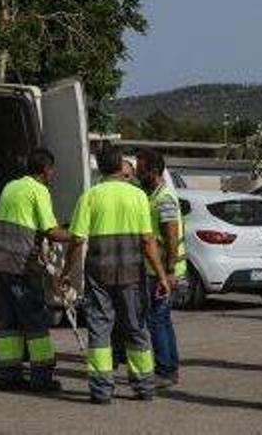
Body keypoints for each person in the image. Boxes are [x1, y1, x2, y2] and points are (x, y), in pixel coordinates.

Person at [66, 146, 171, 405]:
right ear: (120, 167)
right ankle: (144, 386)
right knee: (136, 328)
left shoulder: (90, 197)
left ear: (100, 168)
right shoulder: (137, 196)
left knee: (100, 329)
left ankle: (102, 390)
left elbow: (77, 240)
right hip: (131, 274)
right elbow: (148, 242)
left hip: (98, 274)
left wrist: (66, 272)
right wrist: (162, 275)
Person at [0, 148, 72, 392]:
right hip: (21, 266)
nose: (52, 174)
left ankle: (9, 376)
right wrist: (76, 236)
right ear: (45, 169)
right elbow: (51, 231)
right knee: (35, 322)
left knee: (8, 324)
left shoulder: (10, 186)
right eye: (52, 169)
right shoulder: (39, 191)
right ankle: (42, 378)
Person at [136, 148, 186, 389]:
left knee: (157, 320)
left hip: (161, 272)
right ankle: (169, 367)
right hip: (153, 269)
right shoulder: (151, 195)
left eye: (141, 169)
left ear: (154, 172)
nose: (137, 173)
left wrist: (168, 272)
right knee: (160, 319)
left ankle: (165, 370)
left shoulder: (164, 198)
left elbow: (171, 236)